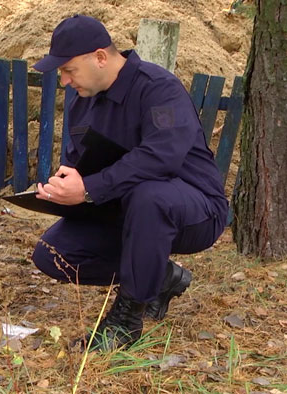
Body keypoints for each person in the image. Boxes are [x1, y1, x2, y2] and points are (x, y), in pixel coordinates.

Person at [31, 15, 228, 351]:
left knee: (149, 195)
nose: (63, 81)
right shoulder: (82, 101)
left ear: (100, 57)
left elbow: (161, 157)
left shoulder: (159, 89)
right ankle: (160, 276)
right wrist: (66, 186)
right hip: (123, 210)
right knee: (51, 254)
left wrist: (91, 188)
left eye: (69, 70)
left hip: (195, 209)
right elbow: (83, 163)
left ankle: (126, 321)